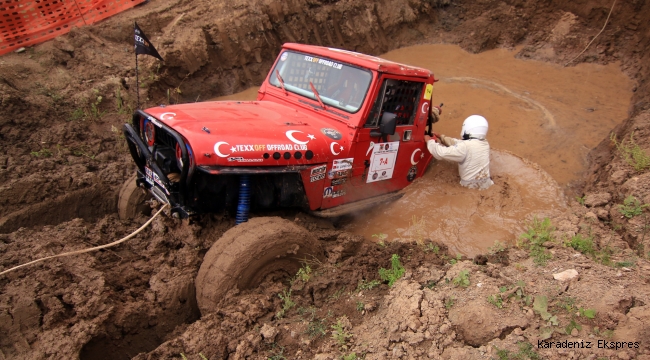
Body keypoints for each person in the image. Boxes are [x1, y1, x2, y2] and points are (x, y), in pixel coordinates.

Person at [424, 113, 494, 190]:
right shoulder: (485, 143)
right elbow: (459, 143)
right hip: (487, 183)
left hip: (469, 186)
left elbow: (440, 153)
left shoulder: (464, 147)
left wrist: (429, 142)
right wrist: (441, 137)